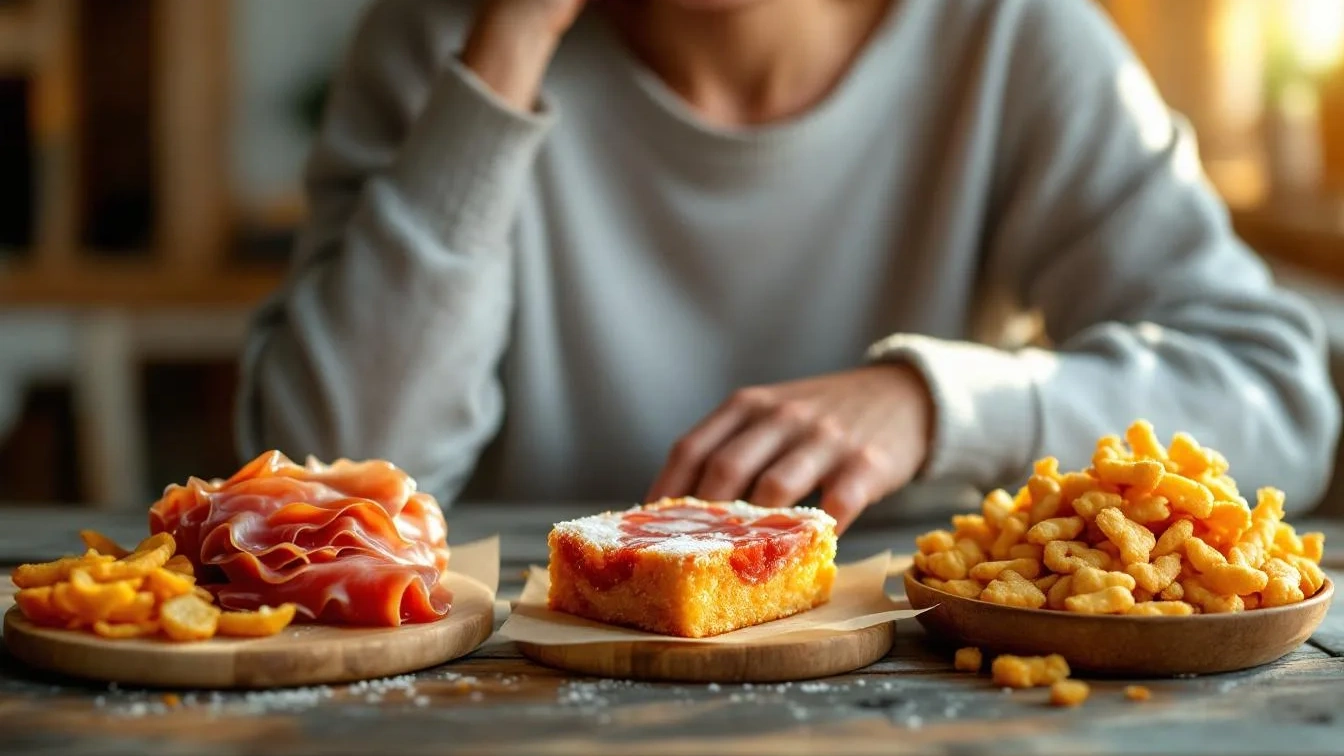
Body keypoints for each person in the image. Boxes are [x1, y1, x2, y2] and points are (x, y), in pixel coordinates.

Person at [236, 0, 1341, 531]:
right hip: (522, 694)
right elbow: (324, 489)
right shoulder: (446, 42)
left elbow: (1278, 401)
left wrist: (934, 401)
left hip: (927, 688)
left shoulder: (1015, 39)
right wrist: (509, 50)